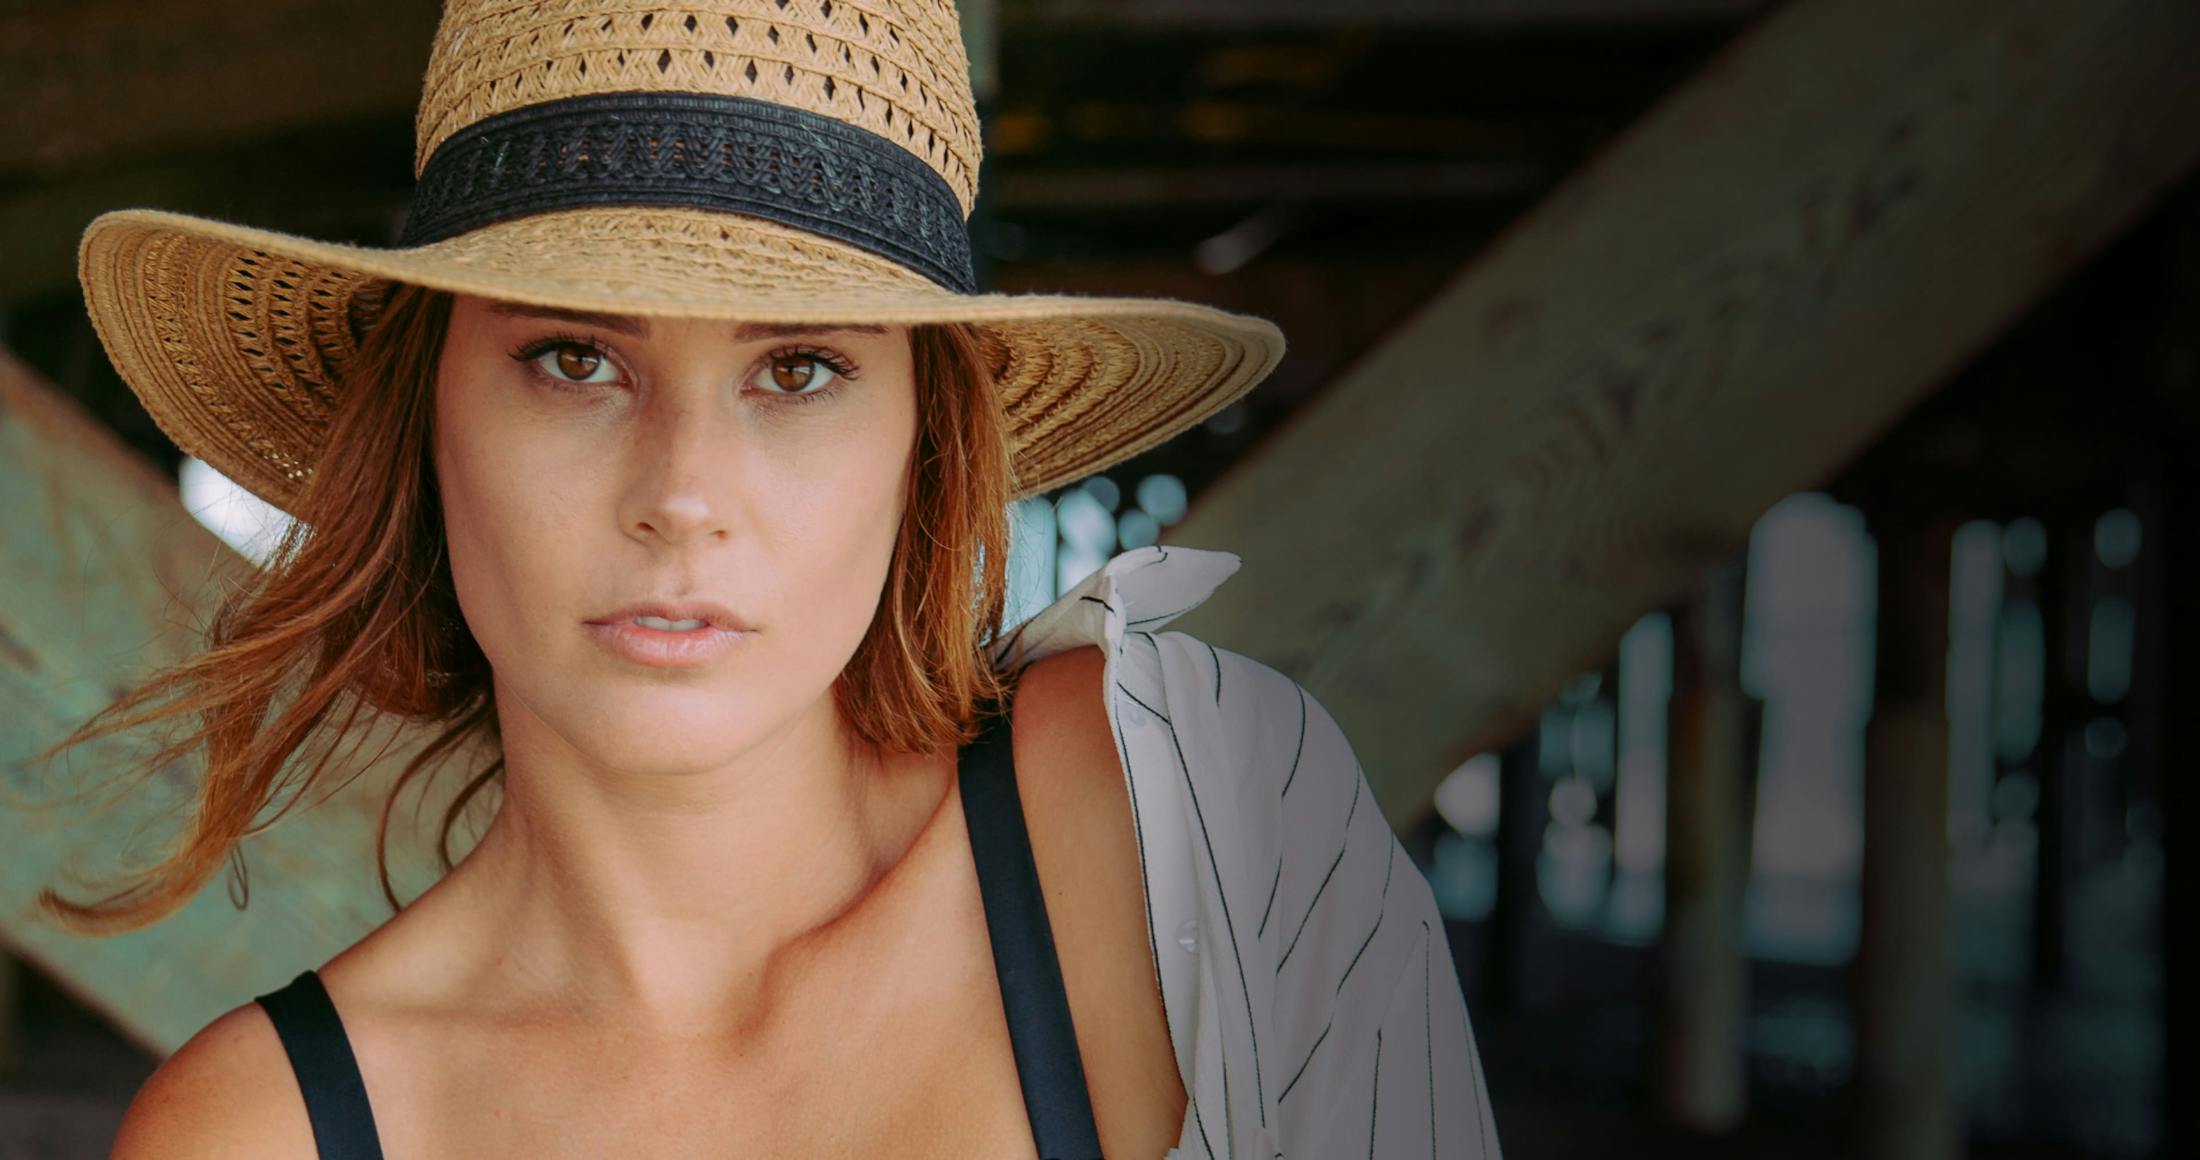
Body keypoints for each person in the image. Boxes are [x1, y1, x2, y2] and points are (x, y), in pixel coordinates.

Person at [56, 1, 1498, 1156]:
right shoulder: (262, 1135)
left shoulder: (1177, 813)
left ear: (923, 442)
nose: (683, 497)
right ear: (426, 417)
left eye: (799, 368)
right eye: (575, 357)